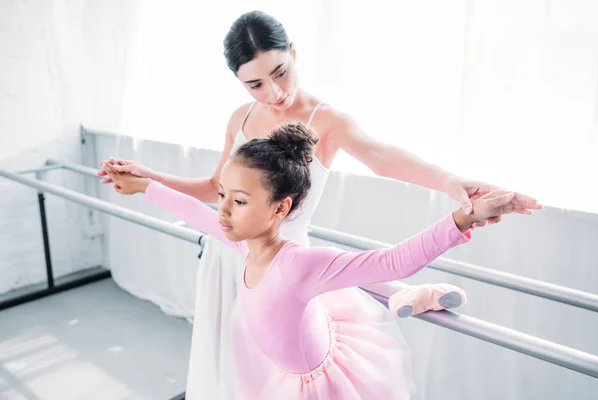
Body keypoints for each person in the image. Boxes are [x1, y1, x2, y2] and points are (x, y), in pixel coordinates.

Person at [97, 10, 541, 397]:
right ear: (238, 81)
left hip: (288, 265)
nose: (274, 92)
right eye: (254, 83)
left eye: (281, 72)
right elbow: (216, 189)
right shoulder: (241, 117)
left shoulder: (325, 119)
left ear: (293, 51)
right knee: (233, 366)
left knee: (289, 366)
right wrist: (149, 179)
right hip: (231, 248)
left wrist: (451, 183)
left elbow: (384, 157)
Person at [101, 122, 535, 399]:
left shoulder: (298, 264)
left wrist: (462, 217)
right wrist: (145, 187)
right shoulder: (242, 244)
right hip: (282, 373)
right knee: (351, 282)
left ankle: (421, 296)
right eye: (222, 197)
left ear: (279, 209)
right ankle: (411, 297)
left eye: (238, 200)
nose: (223, 211)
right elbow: (196, 213)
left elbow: (391, 262)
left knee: (368, 278)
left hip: (320, 386)